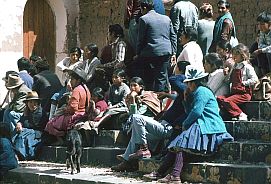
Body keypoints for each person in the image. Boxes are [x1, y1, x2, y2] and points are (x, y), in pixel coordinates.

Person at [144, 65, 233, 183]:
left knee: (180, 143)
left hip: (208, 125)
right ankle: (164, 173)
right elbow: (190, 111)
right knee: (177, 144)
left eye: (189, 83)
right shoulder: (196, 92)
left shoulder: (202, 91)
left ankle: (174, 175)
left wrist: (185, 124)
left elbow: (196, 112)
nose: (187, 86)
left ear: (193, 83)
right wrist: (185, 100)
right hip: (201, 124)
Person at [111, 63, 190, 172]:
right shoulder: (179, 96)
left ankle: (143, 149)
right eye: (131, 85)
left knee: (136, 118)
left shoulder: (185, 93)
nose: (132, 88)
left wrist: (182, 75)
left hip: (167, 128)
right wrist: (167, 95)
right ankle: (127, 162)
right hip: (158, 126)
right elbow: (175, 95)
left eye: (135, 85)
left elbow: (173, 80)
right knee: (135, 130)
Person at [135, 0, 177, 92]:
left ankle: (150, 99)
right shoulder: (166, 18)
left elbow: (140, 39)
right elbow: (173, 36)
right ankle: (160, 100)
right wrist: (174, 52)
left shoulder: (144, 19)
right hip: (166, 51)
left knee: (148, 77)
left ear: (144, 8)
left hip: (150, 52)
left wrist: (137, 53)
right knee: (161, 77)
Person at [44, 66, 91, 145]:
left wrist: (65, 109)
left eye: (72, 79)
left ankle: (60, 140)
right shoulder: (86, 89)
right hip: (84, 113)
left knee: (51, 123)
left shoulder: (76, 90)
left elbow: (73, 108)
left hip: (75, 116)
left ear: (78, 80)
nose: (71, 81)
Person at [217, 44, 258, 121]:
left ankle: (240, 114)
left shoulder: (247, 67)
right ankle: (232, 115)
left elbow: (255, 79)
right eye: (233, 54)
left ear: (242, 55)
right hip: (235, 92)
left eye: (236, 54)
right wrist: (226, 74)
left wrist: (244, 83)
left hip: (244, 93)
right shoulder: (234, 66)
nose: (233, 56)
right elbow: (228, 81)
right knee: (220, 98)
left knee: (227, 101)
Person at [12, 91, 48, 160]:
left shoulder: (40, 113)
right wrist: (19, 123)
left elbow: (31, 126)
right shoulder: (28, 111)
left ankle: (20, 154)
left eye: (35, 102)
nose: (33, 104)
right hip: (29, 132)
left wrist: (25, 118)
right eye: (30, 102)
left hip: (38, 134)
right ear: (27, 103)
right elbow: (22, 121)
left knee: (25, 133)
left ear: (38, 103)